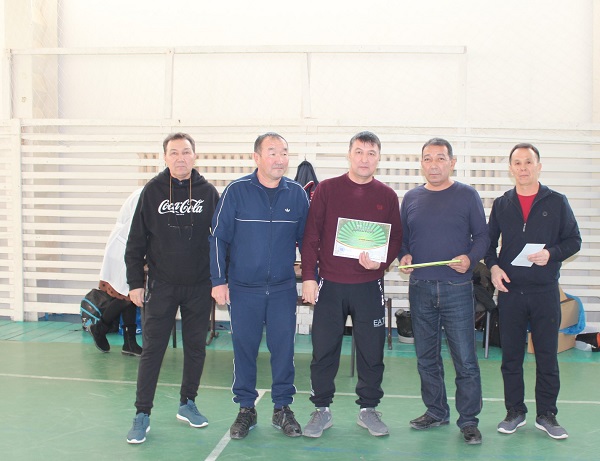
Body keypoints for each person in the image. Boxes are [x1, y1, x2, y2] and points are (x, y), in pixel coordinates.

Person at [301, 131, 402, 438]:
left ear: (378, 158)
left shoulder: (387, 195)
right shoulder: (327, 189)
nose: (364, 159)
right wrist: (309, 277)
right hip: (330, 285)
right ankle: (321, 409)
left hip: (369, 286)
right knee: (324, 350)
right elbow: (311, 235)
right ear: (349, 154)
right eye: (359, 152)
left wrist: (380, 263)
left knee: (372, 351)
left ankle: (368, 409)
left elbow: (395, 239)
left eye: (371, 153)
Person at [209, 133, 309, 440]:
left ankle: (282, 408)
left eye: (284, 152)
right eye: (272, 152)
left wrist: (310, 277)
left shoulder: (296, 194)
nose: (280, 159)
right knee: (244, 349)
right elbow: (218, 237)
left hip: (281, 289)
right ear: (256, 157)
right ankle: (246, 408)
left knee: (284, 349)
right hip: (243, 289)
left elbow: (308, 241)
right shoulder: (236, 191)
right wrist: (218, 280)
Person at [124, 132, 220, 444]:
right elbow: (135, 241)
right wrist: (135, 283)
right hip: (162, 286)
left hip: (199, 286)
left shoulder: (208, 193)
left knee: (196, 348)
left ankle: (188, 403)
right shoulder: (152, 191)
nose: (181, 158)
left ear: (195, 156)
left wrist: (220, 279)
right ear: (165, 157)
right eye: (174, 152)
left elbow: (221, 240)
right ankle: (142, 414)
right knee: (153, 350)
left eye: (186, 152)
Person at [485, 143, 581, 440]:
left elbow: (574, 241)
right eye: (517, 162)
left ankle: (547, 414)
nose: (523, 168)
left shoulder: (557, 202)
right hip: (511, 292)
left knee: (547, 356)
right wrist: (494, 268)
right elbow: (488, 245)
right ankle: (515, 411)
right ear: (510, 168)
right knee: (511, 357)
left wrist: (551, 254)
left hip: (544, 292)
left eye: (528, 162)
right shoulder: (502, 204)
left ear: (538, 166)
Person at [398, 138, 489, 445]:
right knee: (426, 357)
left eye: (440, 158)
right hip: (420, 288)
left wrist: (470, 259)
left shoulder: (467, 195)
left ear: (452, 162)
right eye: (428, 158)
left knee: (465, 359)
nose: (433, 164)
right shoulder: (411, 197)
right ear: (421, 163)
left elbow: (483, 237)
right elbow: (402, 240)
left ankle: (469, 420)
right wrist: (404, 256)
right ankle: (436, 411)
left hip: (457, 289)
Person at [89, 188, 143, 356]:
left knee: (127, 295)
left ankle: (129, 342)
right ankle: (100, 328)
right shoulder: (145, 195)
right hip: (124, 249)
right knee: (127, 295)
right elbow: (139, 227)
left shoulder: (148, 192)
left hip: (128, 246)